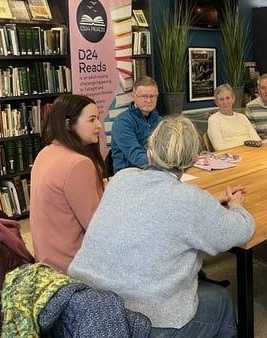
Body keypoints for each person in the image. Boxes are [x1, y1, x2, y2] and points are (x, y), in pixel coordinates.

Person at [68, 115, 255, 337]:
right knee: (221, 300)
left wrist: (207, 205)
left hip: (87, 307)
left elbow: (155, 209)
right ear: (194, 159)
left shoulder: (121, 179)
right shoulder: (189, 199)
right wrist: (236, 206)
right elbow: (242, 230)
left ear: (149, 153)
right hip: (146, 320)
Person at [30, 94, 106, 273]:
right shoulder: (79, 164)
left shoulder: (45, 153)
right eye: (92, 119)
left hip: (46, 263)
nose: (99, 125)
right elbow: (97, 226)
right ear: (68, 124)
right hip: (73, 267)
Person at [110, 76, 162, 173]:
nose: (149, 100)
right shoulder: (122, 122)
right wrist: (166, 164)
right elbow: (136, 156)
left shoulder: (160, 120)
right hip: (129, 176)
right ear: (133, 96)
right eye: (144, 96)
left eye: (152, 96)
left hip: (155, 172)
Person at [207, 84, 260, 151]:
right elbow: (219, 148)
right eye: (221, 99)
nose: (225, 102)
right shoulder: (214, 120)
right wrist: (244, 145)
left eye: (227, 98)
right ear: (216, 102)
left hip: (250, 152)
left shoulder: (242, 117)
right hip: (230, 157)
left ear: (233, 99)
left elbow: (257, 140)